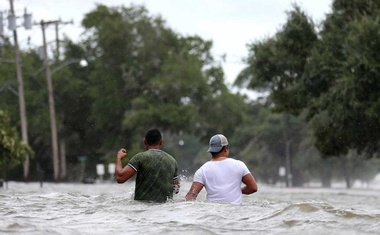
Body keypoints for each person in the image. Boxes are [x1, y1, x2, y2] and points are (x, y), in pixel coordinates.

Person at [185, 134, 257, 205]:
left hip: (212, 213)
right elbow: (253, 188)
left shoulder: (202, 170)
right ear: (226, 148)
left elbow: (191, 196)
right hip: (235, 212)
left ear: (211, 150)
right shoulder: (239, 165)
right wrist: (239, 190)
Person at [115, 128, 180, 203]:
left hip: (143, 208)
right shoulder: (172, 160)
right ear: (161, 142)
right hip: (165, 209)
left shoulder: (140, 158)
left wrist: (119, 158)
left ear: (145, 141)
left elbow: (120, 178)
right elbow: (176, 189)